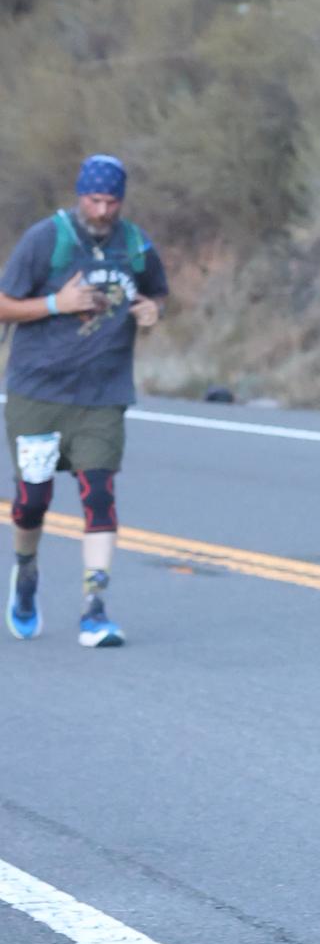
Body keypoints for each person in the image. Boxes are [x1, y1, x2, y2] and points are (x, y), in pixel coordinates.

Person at [1, 156, 169, 648]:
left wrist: (153, 310)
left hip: (102, 395)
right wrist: (58, 303)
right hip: (38, 392)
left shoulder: (135, 245)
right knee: (32, 502)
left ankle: (95, 610)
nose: (102, 210)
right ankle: (26, 572)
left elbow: (157, 293)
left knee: (98, 496)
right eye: (94, 200)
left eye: (111, 201)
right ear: (80, 195)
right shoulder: (46, 240)